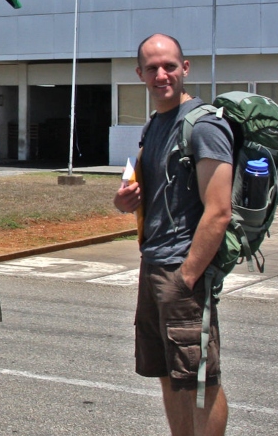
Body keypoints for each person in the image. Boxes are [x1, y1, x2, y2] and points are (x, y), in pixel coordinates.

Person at [113, 33, 234, 436]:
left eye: (169, 66)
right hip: (154, 263)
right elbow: (153, 191)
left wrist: (187, 276)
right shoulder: (155, 124)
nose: (161, 74)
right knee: (168, 372)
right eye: (152, 67)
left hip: (181, 270)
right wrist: (127, 200)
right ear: (140, 74)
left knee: (199, 381)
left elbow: (218, 211)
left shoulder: (205, 126)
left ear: (185, 68)